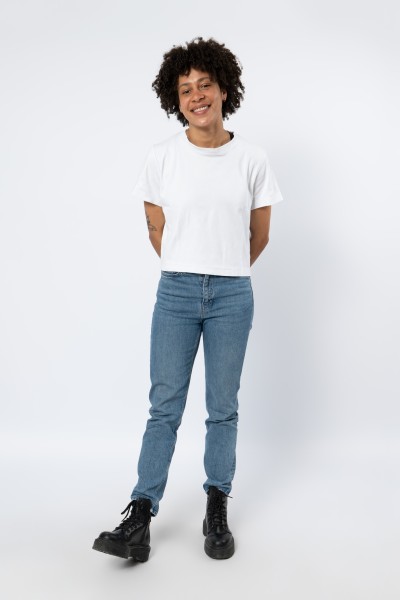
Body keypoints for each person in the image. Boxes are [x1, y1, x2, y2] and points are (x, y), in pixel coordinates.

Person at [92, 36, 283, 562]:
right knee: (164, 407)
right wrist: (187, 264)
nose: (197, 96)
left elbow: (260, 235)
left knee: (223, 408)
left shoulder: (252, 158)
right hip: (175, 291)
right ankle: (140, 515)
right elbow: (157, 229)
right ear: (175, 100)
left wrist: (224, 268)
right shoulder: (162, 157)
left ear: (224, 90)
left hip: (232, 293)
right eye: (185, 89)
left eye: (205, 85)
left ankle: (216, 506)